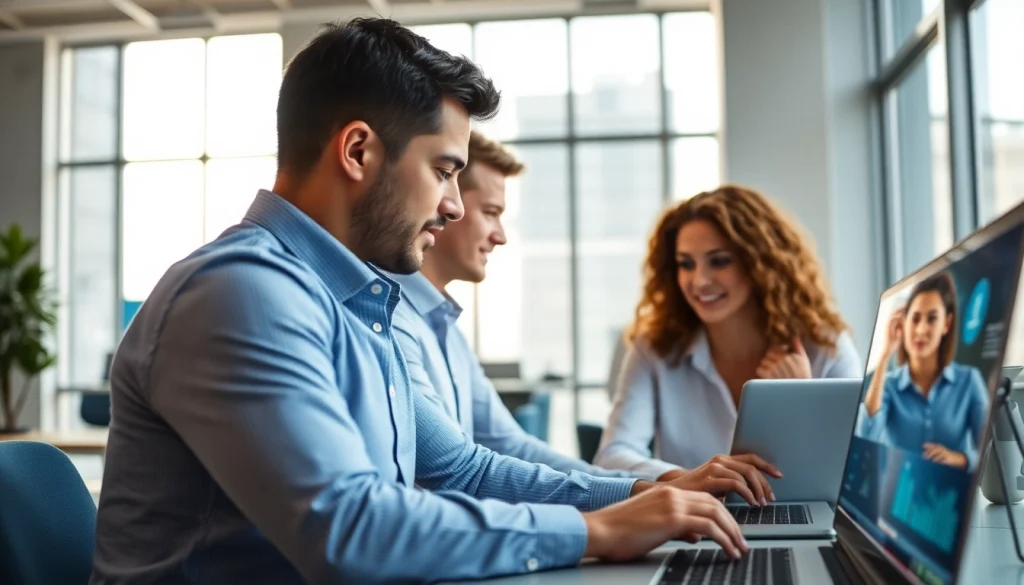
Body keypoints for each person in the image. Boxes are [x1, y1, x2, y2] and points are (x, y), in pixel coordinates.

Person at [90, 19, 749, 585]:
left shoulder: (355, 301)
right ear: (357, 151)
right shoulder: (241, 292)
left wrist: (640, 493)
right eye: (444, 170)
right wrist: (593, 530)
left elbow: (458, 466)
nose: (455, 206)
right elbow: (349, 529)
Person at [389, 131, 777, 502]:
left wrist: (655, 486)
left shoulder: (446, 330)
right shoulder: (394, 319)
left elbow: (512, 446)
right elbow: (461, 470)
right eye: (491, 213)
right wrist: (649, 491)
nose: (501, 235)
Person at [594, 185, 863, 491]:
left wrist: (801, 400)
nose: (700, 281)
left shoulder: (824, 347)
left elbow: (854, 473)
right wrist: (693, 480)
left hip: (792, 515)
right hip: (693, 526)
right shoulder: (654, 347)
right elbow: (612, 456)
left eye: (719, 261)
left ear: (759, 264)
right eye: (686, 264)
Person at [857, 271, 988, 469]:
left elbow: (990, 452)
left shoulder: (969, 381)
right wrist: (884, 355)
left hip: (951, 493)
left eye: (932, 319)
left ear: (947, 323)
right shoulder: (889, 386)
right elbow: (866, 435)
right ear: (904, 323)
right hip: (900, 494)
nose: (920, 330)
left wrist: (961, 459)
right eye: (915, 319)